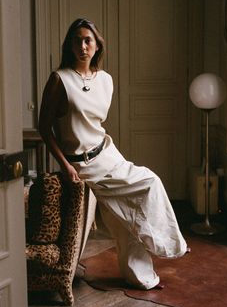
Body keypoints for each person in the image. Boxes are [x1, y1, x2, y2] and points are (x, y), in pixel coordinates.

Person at [39, 18, 189, 290]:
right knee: (150, 181)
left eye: (88, 40)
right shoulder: (59, 79)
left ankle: (142, 278)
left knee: (122, 218)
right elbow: (44, 127)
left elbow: (95, 123)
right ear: (69, 45)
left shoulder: (105, 80)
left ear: (97, 46)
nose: (82, 46)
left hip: (107, 152)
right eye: (77, 40)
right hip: (82, 163)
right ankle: (170, 244)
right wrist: (65, 166)